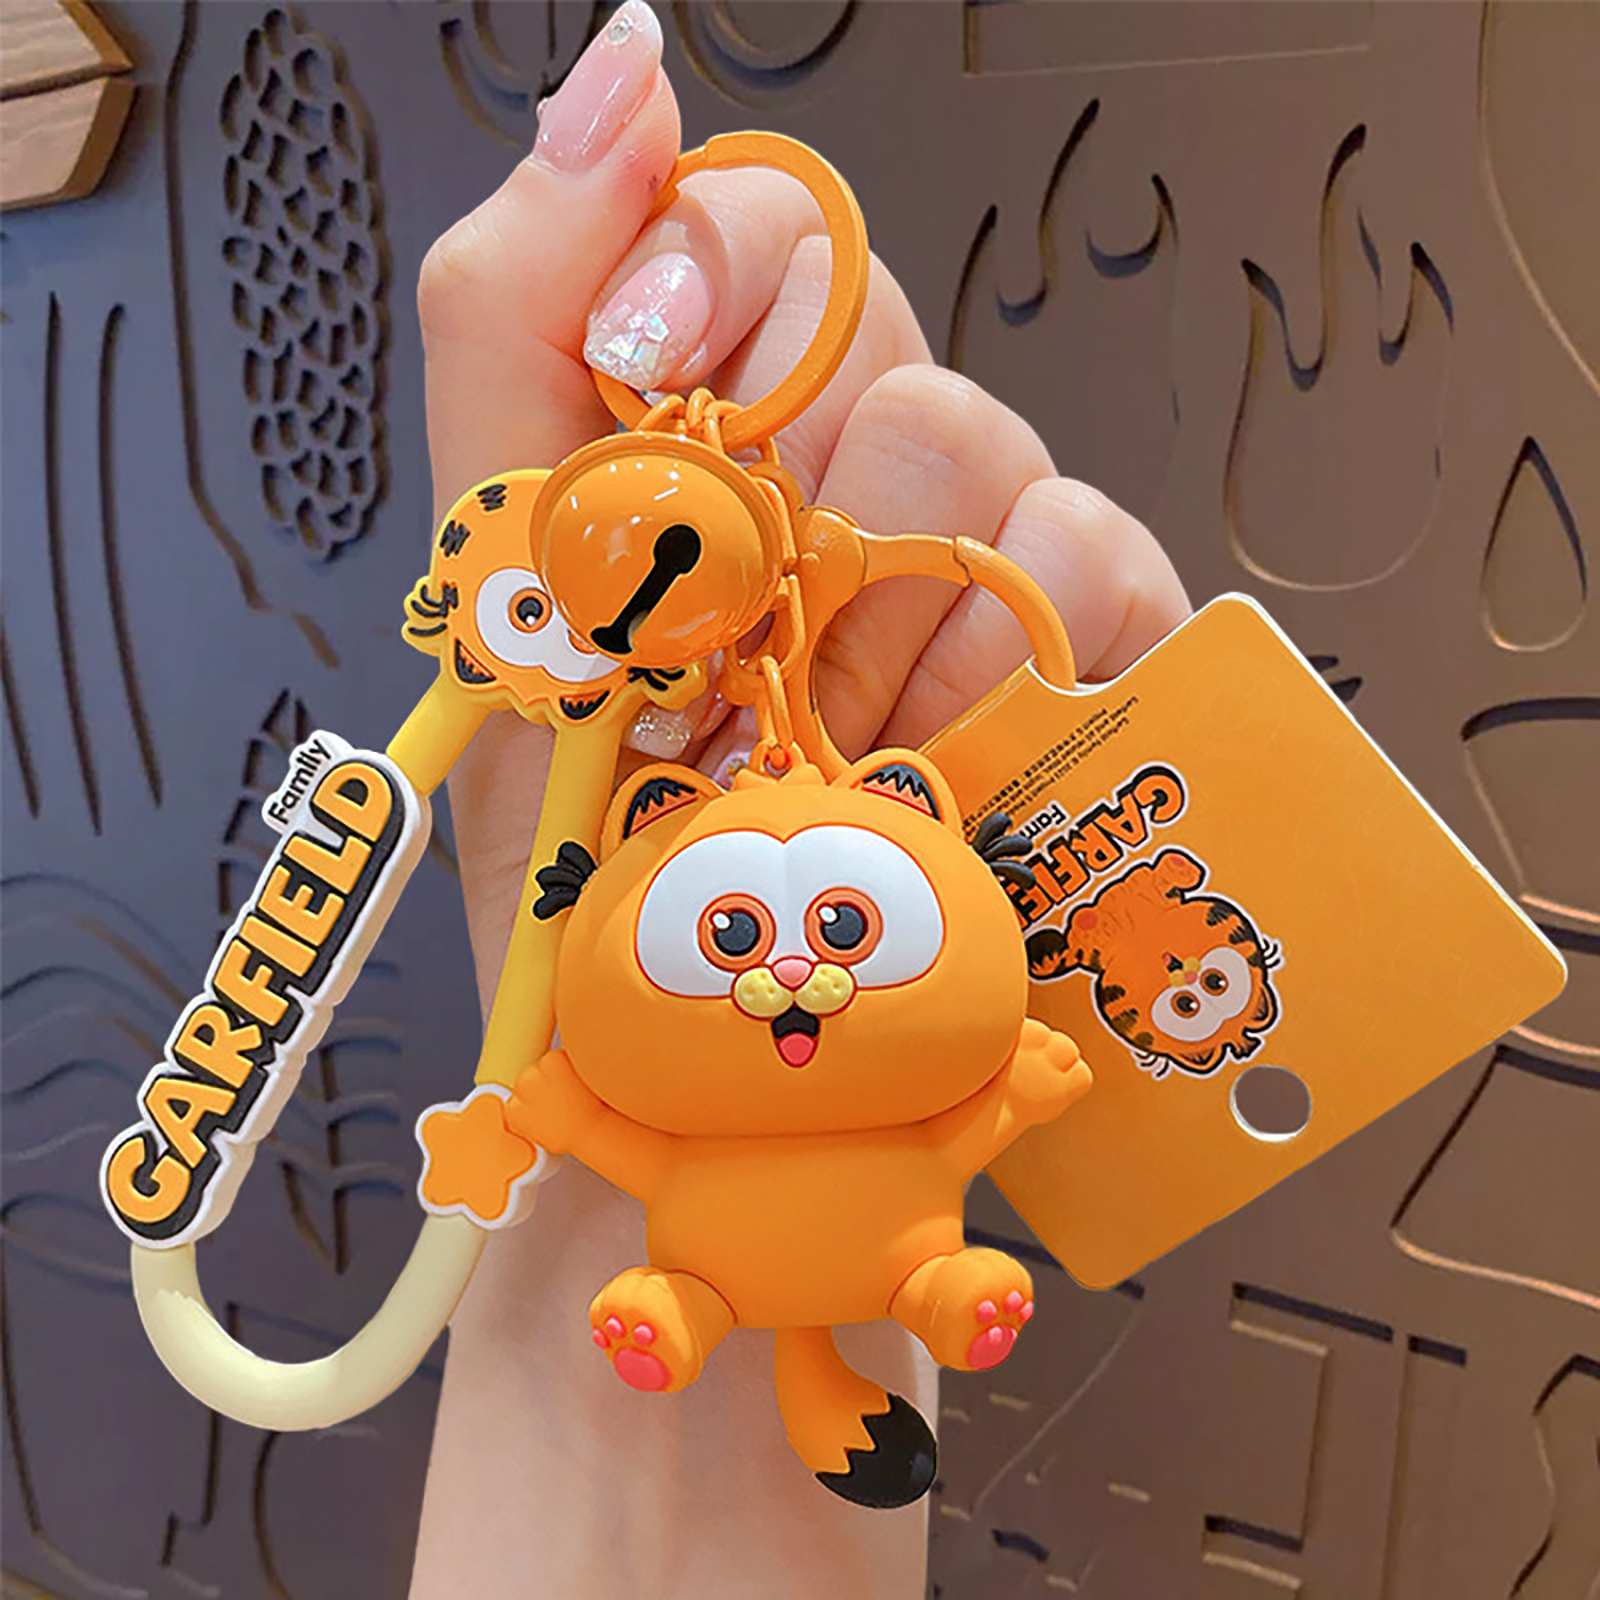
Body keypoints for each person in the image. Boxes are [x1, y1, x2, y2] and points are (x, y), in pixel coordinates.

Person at [408, 4, 1189, 1595]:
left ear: (904, 807)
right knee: (712, 1298)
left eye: (838, 929)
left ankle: (821, 1313)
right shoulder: (617, 871)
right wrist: (550, 1093)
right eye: (757, 938)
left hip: (854, 1263)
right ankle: (699, 1315)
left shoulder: (809, 909)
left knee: (871, 1284)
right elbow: (598, 1113)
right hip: (712, 1267)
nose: (788, 969)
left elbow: (967, 1094)